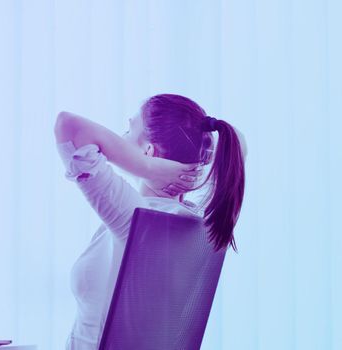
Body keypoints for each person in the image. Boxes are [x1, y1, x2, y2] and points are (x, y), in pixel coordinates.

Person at [54, 93, 246, 350]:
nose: (118, 140)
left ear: (148, 151)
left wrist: (147, 166)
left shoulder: (136, 218)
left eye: (128, 130)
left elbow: (68, 127)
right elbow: (239, 142)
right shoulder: (201, 225)